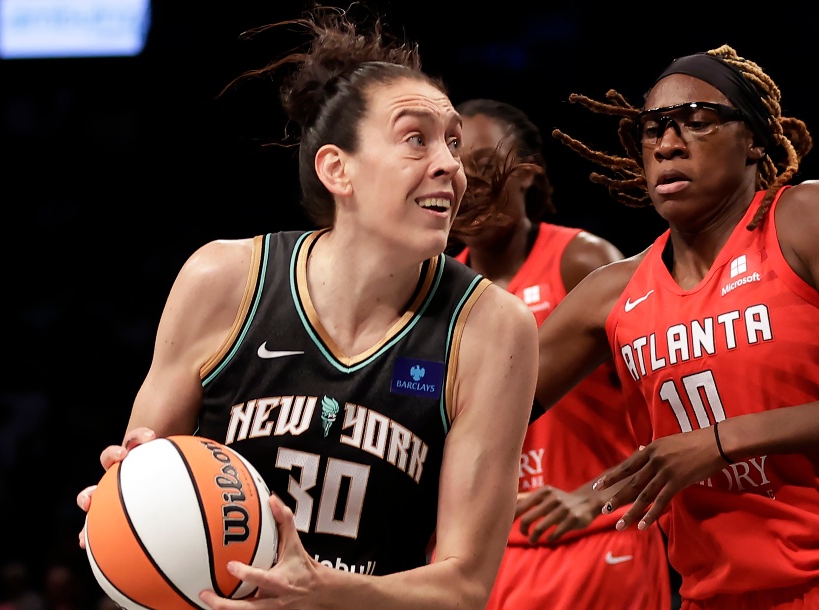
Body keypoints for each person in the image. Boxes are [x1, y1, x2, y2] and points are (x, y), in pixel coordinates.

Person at [74, 7, 539, 610]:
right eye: (416, 139)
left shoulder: (492, 328)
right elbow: (136, 484)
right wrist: (121, 508)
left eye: (453, 142)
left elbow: (465, 587)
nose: (451, 163)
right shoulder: (223, 281)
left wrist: (322, 592)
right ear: (337, 169)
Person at [536, 44, 819, 608]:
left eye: (697, 121)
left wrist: (723, 440)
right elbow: (471, 404)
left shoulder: (805, 219)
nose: (667, 144)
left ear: (754, 139)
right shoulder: (611, 293)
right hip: (716, 597)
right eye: (652, 129)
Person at [452, 98, 672, 610]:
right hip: (486, 559)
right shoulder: (440, 292)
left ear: (527, 173)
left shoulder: (581, 263)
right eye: (458, 167)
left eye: (485, 164)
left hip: (595, 539)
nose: (472, 183)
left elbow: (674, 408)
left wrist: (595, 496)